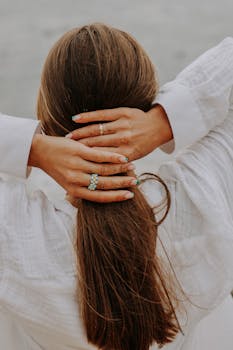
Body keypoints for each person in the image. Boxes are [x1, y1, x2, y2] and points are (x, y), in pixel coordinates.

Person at [0, 23, 233, 350]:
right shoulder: (202, 199)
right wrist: (165, 120)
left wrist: (32, 149)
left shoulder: (16, 236)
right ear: (142, 107)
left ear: (48, 117)